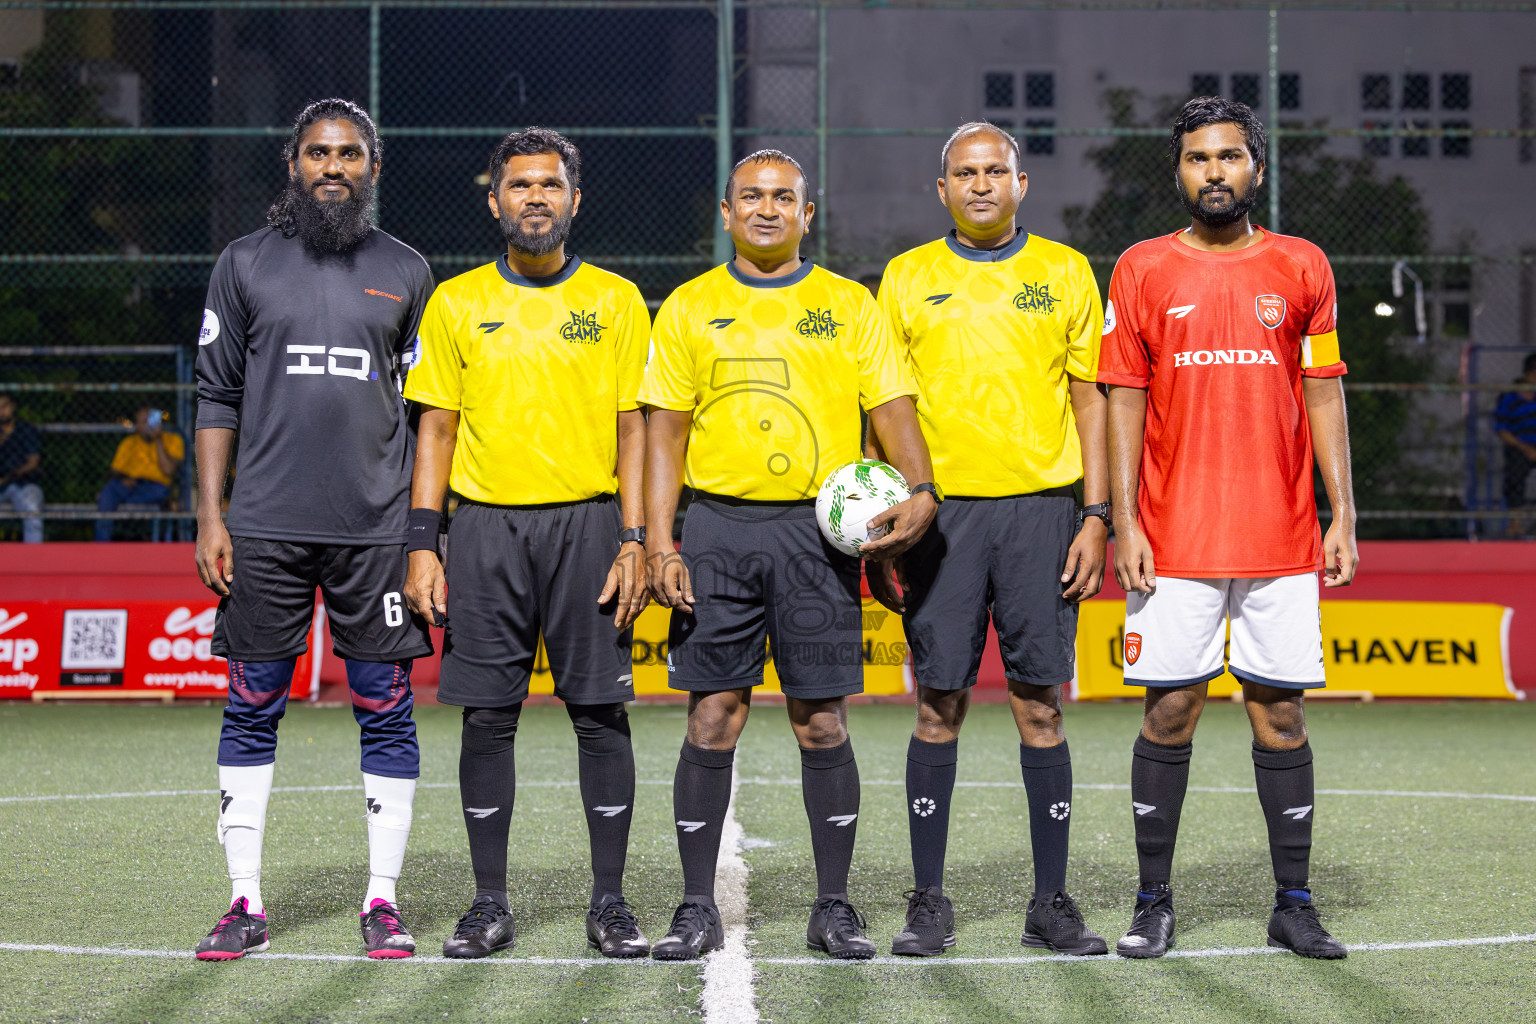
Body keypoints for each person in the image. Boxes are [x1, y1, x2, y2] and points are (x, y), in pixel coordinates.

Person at [641, 149, 939, 961]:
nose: (767, 210)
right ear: (728, 214)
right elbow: (663, 434)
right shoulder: (690, 307)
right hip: (717, 533)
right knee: (712, 716)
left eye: (784, 198)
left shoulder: (849, 304)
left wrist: (922, 487)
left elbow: (891, 404)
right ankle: (696, 907)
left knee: (820, 721)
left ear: (808, 214)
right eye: (751, 198)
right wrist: (662, 538)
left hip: (818, 541)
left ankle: (832, 908)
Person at [1098, 96, 1357, 960]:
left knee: (1279, 716)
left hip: (1281, 537)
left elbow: (1323, 392)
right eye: (1198, 158)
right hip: (1172, 540)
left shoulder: (1302, 266)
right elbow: (1122, 399)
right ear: (1178, 172)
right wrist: (1124, 521)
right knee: (1170, 711)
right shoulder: (1140, 270)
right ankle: (1151, 902)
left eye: (1230, 157)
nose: (1215, 171)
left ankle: (1293, 902)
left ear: (1256, 167)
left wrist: (1342, 510)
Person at [192, 98, 434, 960]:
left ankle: (383, 902)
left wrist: (420, 536)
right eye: (318, 153)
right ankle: (245, 901)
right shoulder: (245, 263)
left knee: (386, 707)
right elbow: (216, 394)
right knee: (252, 703)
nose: (334, 167)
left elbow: (427, 420)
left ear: (373, 167)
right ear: (292, 164)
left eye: (350, 155)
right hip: (263, 527)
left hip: (374, 531)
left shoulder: (407, 271)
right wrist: (212, 515)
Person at [402, 127, 652, 960]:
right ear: (495, 200)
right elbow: (434, 428)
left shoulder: (616, 301)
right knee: (487, 718)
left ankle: (610, 903)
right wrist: (423, 543)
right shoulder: (456, 302)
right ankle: (488, 903)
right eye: (520, 186)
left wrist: (637, 538)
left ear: (575, 200)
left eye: (551, 185)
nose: (535, 198)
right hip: (483, 528)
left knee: (598, 713)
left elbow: (634, 431)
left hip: (587, 524)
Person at [870, 122, 1109, 958]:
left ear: (1021, 183)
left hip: (1044, 512)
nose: (980, 184)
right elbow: (883, 407)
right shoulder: (905, 277)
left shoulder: (1067, 271)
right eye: (964, 173)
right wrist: (883, 522)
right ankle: (928, 902)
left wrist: (1096, 514)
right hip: (942, 519)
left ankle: (1051, 903)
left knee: (1040, 704)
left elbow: (1092, 401)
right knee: (939, 704)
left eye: (994, 171)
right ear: (942, 190)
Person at [95, 406, 184, 541]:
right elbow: (114, 470)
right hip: (129, 484)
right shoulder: (128, 443)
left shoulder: (173, 440)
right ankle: (101, 547)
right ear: (136, 425)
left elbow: (168, 471)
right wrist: (125, 478)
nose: (148, 426)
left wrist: (158, 439)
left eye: (150, 421)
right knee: (107, 494)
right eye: (143, 422)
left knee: (159, 493)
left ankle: (126, 507)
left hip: (155, 487)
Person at [1493, 353, 1536, 536]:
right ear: (1528, 374)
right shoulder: (1509, 398)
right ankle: (1516, 520)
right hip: (1519, 446)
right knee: (1515, 475)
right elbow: (1502, 430)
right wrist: (1525, 447)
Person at [0, 393, 44, 544]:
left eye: (4, 406)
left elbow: (33, 462)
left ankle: (33, 561)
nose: (1, 411)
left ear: (12, 407)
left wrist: (10, 476)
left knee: (31, 508)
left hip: (23, 484)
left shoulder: (26, 430)